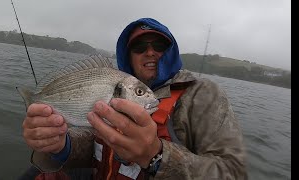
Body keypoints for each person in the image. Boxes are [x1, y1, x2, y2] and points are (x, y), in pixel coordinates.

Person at [19, 17, 247, 179]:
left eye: (159, 45)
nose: (150, 52)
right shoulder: (115, 87)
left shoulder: (203, 94)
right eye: (139, 46)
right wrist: (61, 145)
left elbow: (234, 173)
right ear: (127, 55)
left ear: (171, 51)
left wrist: (156, 155)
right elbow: (94, 145)